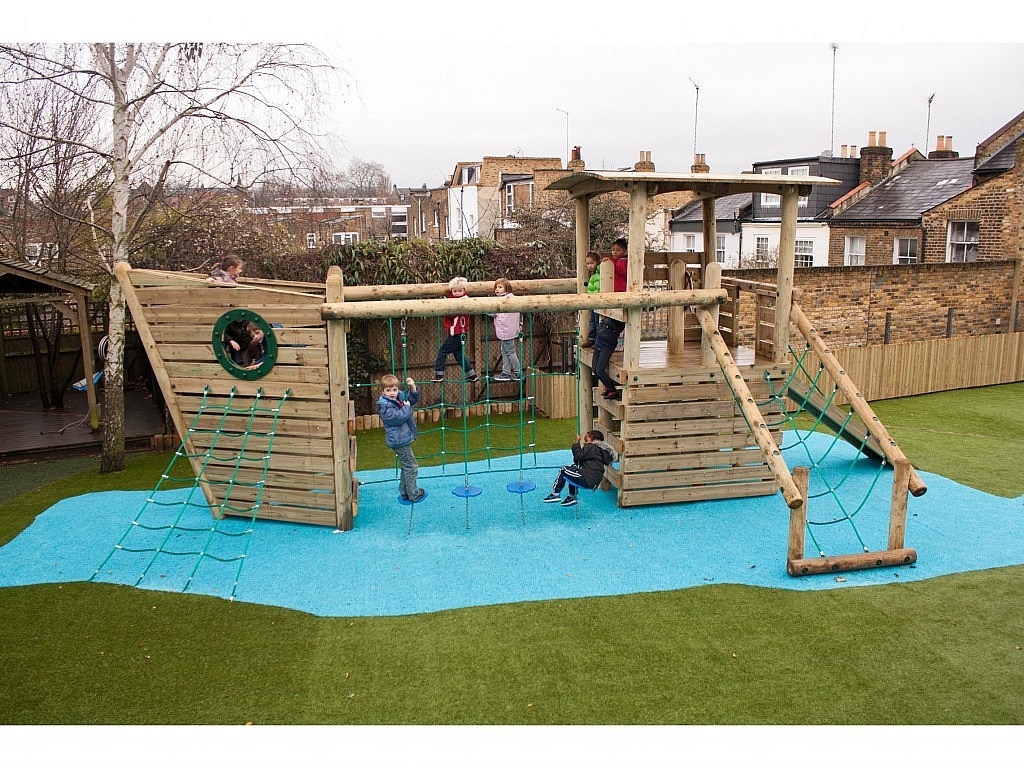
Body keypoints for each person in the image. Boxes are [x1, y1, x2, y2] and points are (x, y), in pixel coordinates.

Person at [377, 374, 426, 503]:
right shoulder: (385, 406)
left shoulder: (399, 397)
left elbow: (411, 400)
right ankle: (414, 494)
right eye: (388, 391)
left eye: (394, 389)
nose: (392, 393)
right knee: (411, 466)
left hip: (403, 437)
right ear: (383, 392)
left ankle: (405, 492)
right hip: (399, 440)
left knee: (406, 466)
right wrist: (407, 407)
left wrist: (413, 387)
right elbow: (397, 418)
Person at [542, 429, 618, 507]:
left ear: (594, 441)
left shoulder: (592, 447)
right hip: (592, 481)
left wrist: (577, 443)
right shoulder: (599, 451)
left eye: (586, 440)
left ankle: (555, 494)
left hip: (586, 479)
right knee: (574, 468)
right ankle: (572, 497)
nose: (584, 443)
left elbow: (578, 455)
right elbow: (578, 460)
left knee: (563, 470)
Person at [592, 238, 628, 399]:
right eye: (613, 250)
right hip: (603, 336)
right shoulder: (615, 262)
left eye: (618, 250)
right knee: (596, 369)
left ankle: (612, 389)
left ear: (625, 251)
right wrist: (608, 261)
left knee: (599, 369)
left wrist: (610, 262)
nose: (615, 252)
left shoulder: (624, 262)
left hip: (621, 296)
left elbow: (620, 271)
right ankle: (609, 388)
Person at [433, 276, 479, 383]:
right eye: (454, 291)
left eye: (459, 291)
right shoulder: (453, 300)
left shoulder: (464, 300)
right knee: (458, 355)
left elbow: (452, 313)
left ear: (464, 291)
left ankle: (439, 374)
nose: (457, 293)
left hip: (457, 333)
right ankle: (472, 375)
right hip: (457, 332)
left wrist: (445, 304)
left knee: (442, 351)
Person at [490, 277, 521, 381]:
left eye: (500, 287)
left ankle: (518, 373)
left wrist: (481, 308)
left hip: (506, 330)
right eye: (496, 287)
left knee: (510, 352)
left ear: (506, 288)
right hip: (509, 329)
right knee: (505, 351)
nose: (497, 289)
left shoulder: (503, 300)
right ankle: (506, 372)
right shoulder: (512, 298)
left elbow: (493, 312)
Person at [581, 251, 601, 349]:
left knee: (597, 322)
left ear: (597, 262)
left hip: (598, 301)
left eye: (592, 263)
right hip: (592, 301)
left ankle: (597, 340)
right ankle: (592, 339)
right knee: (592, 321)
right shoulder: (592, 275)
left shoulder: (599, 272)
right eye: (588, 264)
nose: (590, 266)